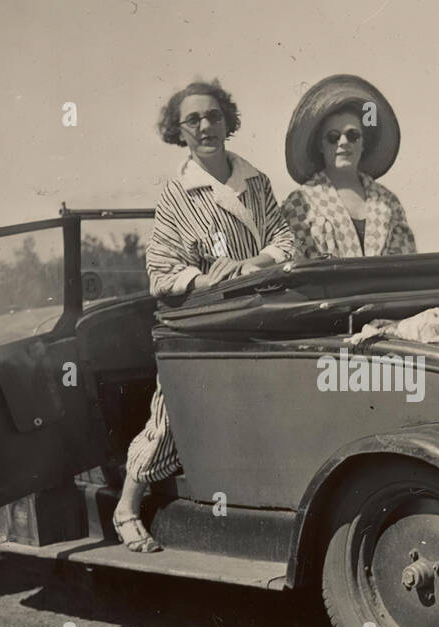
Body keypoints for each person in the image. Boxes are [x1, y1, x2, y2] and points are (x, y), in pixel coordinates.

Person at [114, 79, 295, 552]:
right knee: (173, 410)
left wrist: (254, 264)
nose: (205, 126)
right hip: (203, 322)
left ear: (227, 121)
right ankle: (127, 505)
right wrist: (207, 280)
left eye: (213, 115)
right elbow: (161, 271)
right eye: (192, 120)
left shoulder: (256, 182)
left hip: (260, 315)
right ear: (179, 132)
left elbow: (285, 241)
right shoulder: (176, 194)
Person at [281, 74, 416, 258]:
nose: (343, 143)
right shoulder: (300, 202)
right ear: (321, 145)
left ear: (363, 143)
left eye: (352, 135)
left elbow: (406, 263)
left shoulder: (387, 201)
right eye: (333, 137)